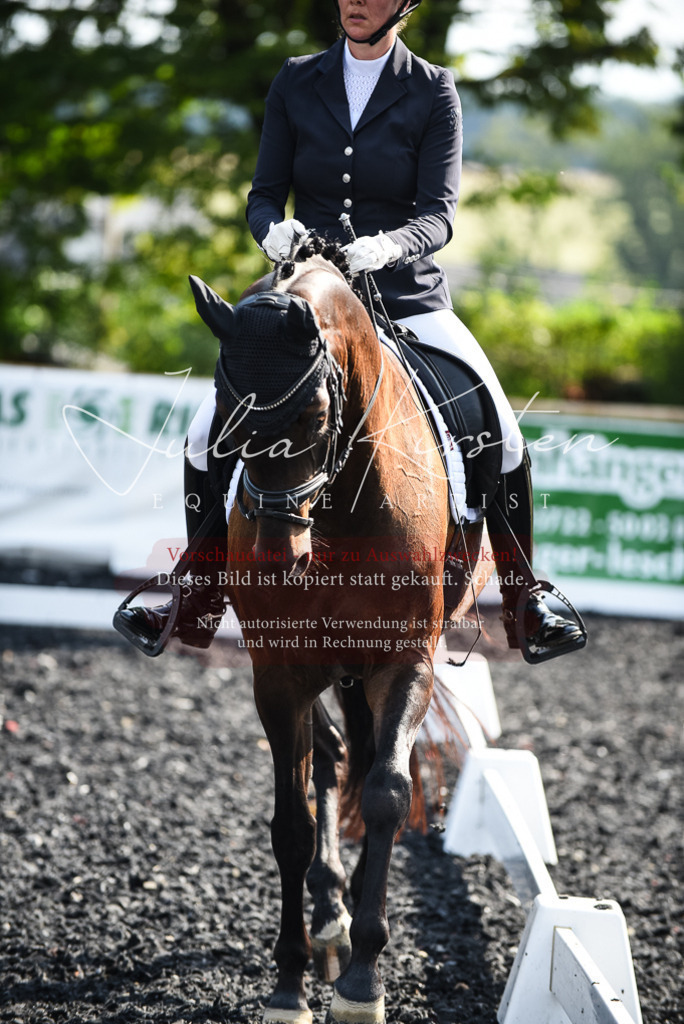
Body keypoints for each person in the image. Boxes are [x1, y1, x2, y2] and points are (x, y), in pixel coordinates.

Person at [116, 0, 585, 660]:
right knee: (202, 435)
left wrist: (391, 246)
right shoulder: (296, 79)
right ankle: (195, 590)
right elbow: (261, 194)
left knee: (503, 434)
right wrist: (269, 229)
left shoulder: (432, 90)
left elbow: (440, 215)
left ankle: (524, 598)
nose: (355, 2)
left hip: (404, 294)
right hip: (308, 298)